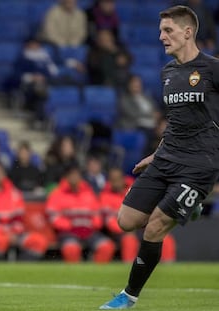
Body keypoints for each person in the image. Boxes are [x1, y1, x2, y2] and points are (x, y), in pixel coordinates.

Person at [99, 6, 219, 309]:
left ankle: (128, 296)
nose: (161, 36)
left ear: (188, 32)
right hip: (167, 158)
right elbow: (176, 123)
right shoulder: (167, 73)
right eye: (161, 30)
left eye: (168, 30)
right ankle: (185, 208)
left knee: (154, 226)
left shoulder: (213, 69)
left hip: (199, 165)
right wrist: (156, 154)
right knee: (126, 221)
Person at [46, 162, 116, 263]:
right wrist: (71, 226)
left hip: (89, 231)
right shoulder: (57, 194)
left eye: (77, 175)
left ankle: (95, 274)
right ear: (66, 177)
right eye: (72, 175)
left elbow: (97, 214)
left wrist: (92, 225)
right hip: (68, 232)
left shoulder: (88, 192)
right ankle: (74, 275)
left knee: (107, 247)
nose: (75, 177)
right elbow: (53, 217)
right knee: (71, 249)